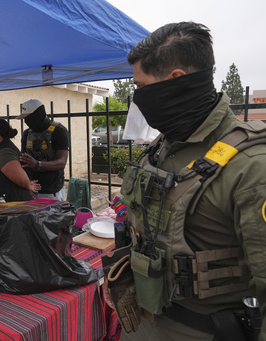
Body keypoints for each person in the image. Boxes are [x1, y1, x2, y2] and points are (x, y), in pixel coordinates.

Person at [102, 22, 266, 341]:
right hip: (141, 323)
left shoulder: (251, 167)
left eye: (140, 86)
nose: (137, 98)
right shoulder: (162, 147)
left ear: (175, 80)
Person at [17, 99, 69, 201]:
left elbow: (62, 162)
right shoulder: (27, 134)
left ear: (37, 114)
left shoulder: (58, 131)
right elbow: (23, 161)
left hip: (51, 191)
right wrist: (27, 185)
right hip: (31, 190)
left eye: (28, 117)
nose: (26, 121)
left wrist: (37, 164)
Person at [0, 118, 40, 203]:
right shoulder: (0, 149)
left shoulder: (5, 153)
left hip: (9, 210)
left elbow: (22, 180)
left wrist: (28, 184)